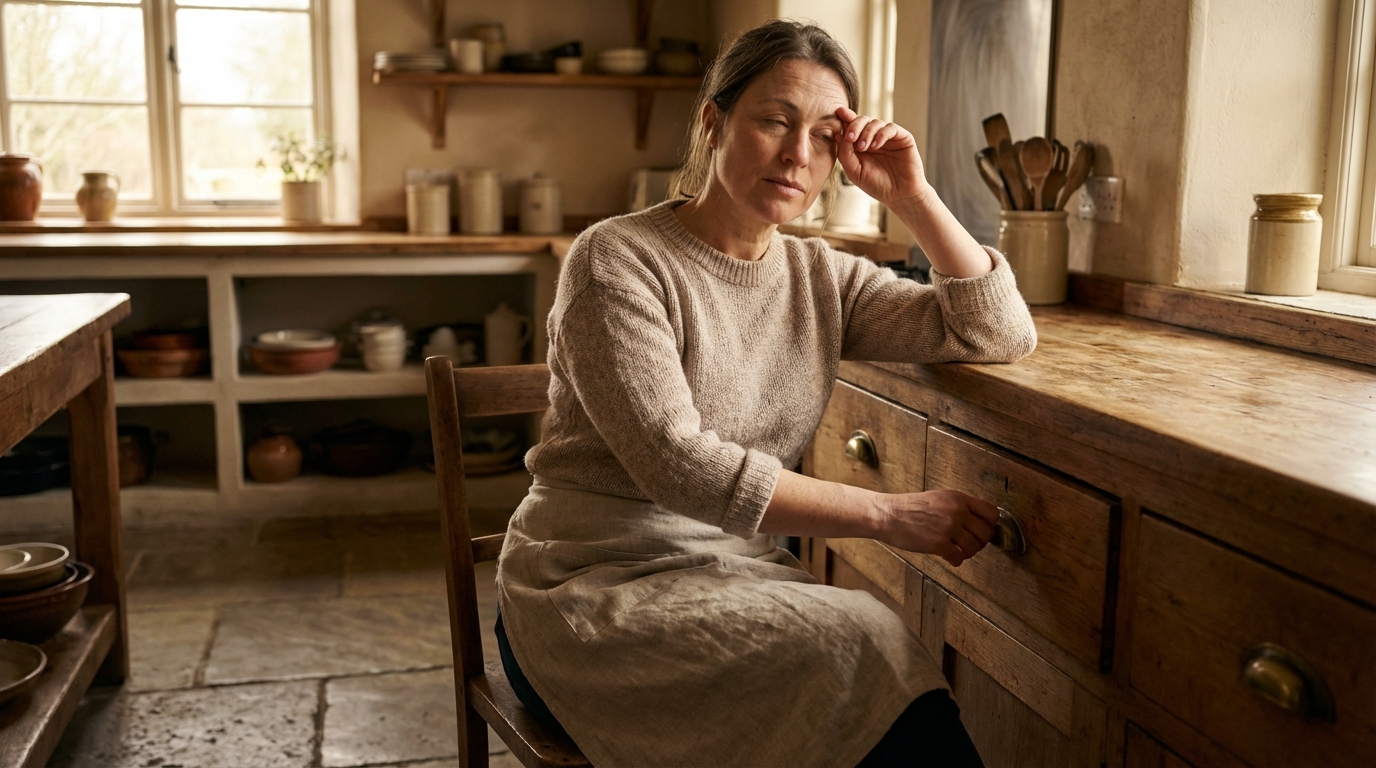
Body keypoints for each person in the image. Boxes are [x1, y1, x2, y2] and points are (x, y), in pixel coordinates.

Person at [494, 19, 1037, 768]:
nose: (795, 154)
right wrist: (887, 514)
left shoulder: (822, 276)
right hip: (588, 589)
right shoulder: (616, 259)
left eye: (822, 136)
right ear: (713, 123)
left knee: (869, 656)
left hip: (735, 576)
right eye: (775, 121)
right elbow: (678, 464)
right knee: (868, 645)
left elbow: (997, 332)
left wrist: (912, 195)